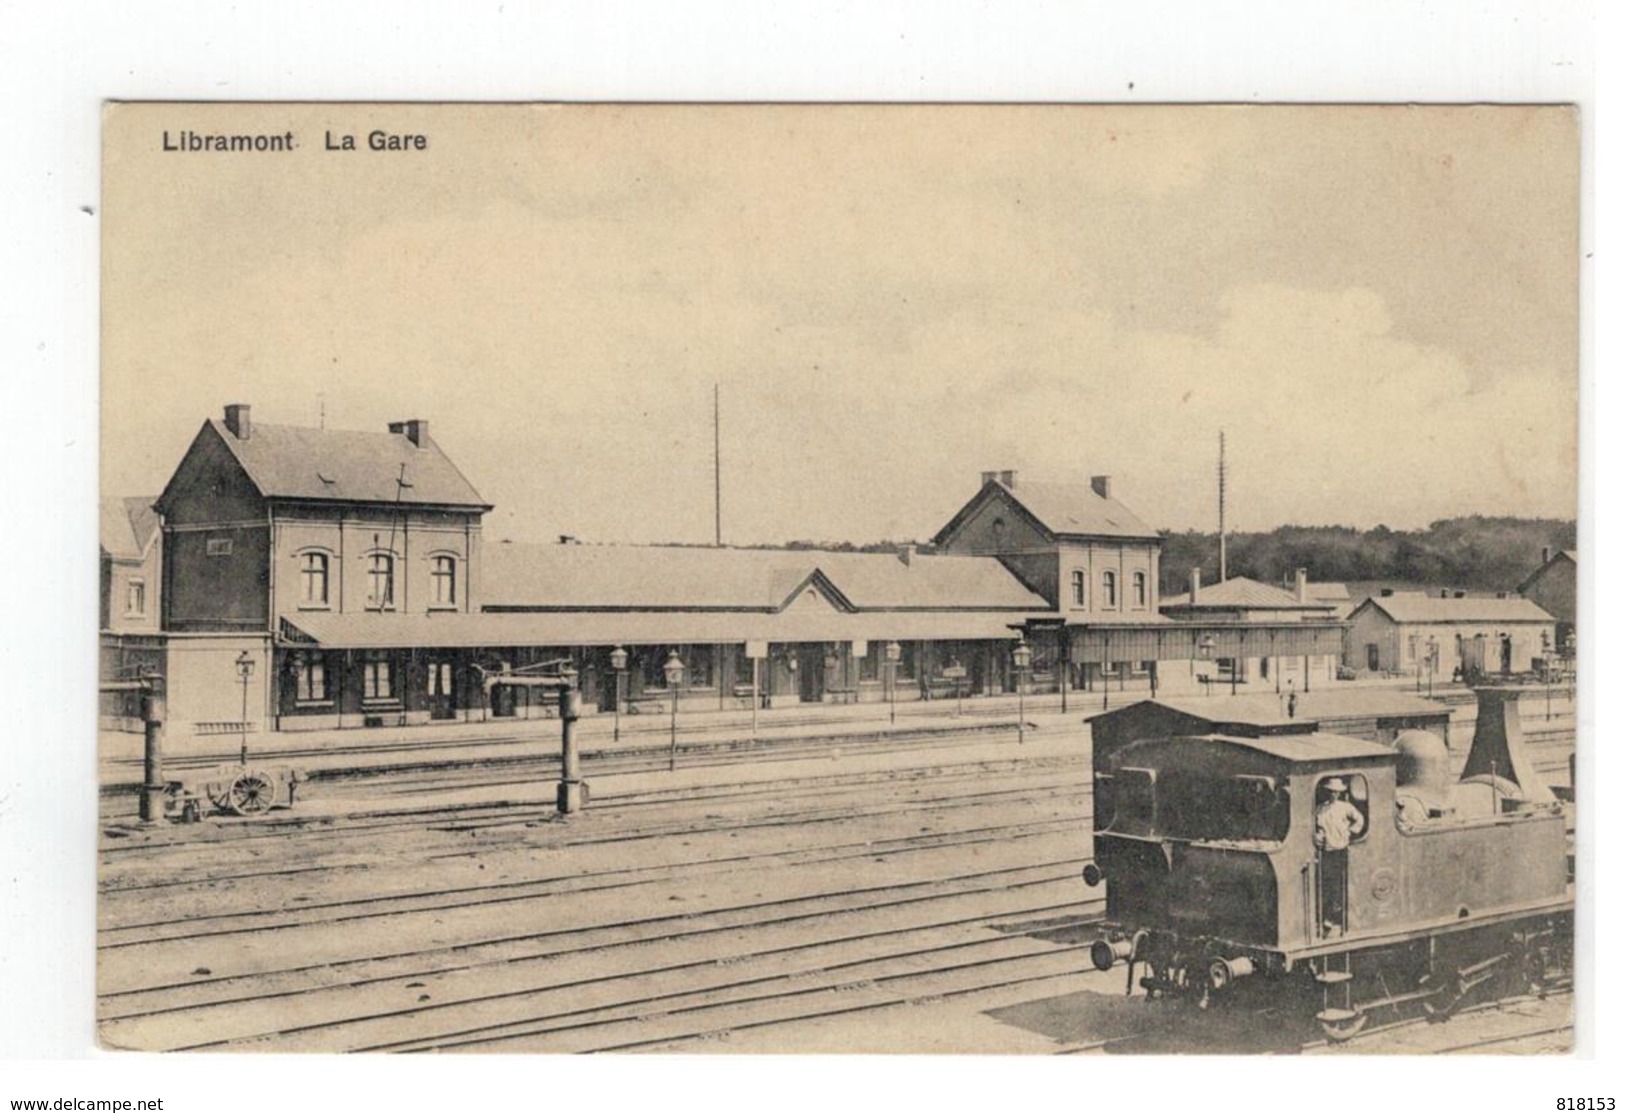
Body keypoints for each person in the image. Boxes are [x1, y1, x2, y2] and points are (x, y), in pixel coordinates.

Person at [1315, 778, 1365, 936]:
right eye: (1331, 791)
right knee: (1327, 885)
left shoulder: (1346, 807)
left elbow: (1359, 820)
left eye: (1336, 792)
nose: (1333, 794)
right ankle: (1327, 919)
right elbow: (1315, 826)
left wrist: (1350, 832)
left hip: (1341, 849)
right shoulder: (1319, 809)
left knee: (1340, 885)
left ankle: (1337, 920)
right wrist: (1318, 836)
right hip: (1326, 850)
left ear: (1340, 793)